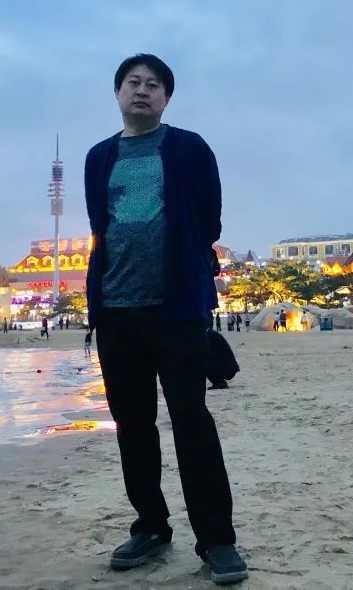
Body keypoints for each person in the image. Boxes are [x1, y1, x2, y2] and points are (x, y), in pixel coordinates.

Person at [85, 54, 247, 585]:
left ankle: (217, 540)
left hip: (176, 310)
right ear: (117, 93)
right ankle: (152, 527)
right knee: (132, 425)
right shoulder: (99, 156)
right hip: (116, 311)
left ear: (166, 98)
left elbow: (209, 219)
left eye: (153, 84)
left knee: (191, 421)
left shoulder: (189, 147)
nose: (142, 90)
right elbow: (100, 223)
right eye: (133, 82)